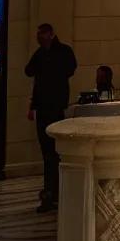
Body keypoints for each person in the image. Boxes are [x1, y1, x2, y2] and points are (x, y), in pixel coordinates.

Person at [25, 23, 77, 213]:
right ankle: (50, 191)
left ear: (51, 34)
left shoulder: (62, 52)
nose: (39, 38)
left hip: (55, 107)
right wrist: (32, 106)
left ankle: (54, 191)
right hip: (44, 108)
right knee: (47, 153)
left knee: (54, 152)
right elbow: (29, 72)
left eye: (42, 35)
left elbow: (70, 70)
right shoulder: (40, 54)